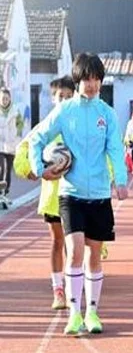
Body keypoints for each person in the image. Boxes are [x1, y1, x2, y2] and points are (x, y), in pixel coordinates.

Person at [28, 52, 129, 335]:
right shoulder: (65, 111)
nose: (92, 84)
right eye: (87, 79)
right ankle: (74, 313)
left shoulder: (106, 114)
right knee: (73, 251)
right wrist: (40, 168)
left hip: (98, 194)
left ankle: (92, 313)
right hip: (70, 193)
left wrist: (120, 182)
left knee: (94, 257)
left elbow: (115, 151)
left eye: (97, 79)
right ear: (78, 79)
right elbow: (37, 137)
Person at [13, 76, 75, 309]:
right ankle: (58, 290)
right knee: (58, 241)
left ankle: (74, 288)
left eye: (69, 96)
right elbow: (24, 149)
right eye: (61, 97)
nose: (65, 100)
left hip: (78, 195)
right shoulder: (46, 127)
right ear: (53, 98)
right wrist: (30, 170)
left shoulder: (80, 126)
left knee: (75, 245)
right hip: (52, 198)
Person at [0, 87, 25, 206]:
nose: (4, 101)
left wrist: (18, 136)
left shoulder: (15, 111)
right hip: (0, 145)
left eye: (6, 98)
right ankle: (1, 192)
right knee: (2, 167)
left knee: (7, 170)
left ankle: (5, 192)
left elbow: (20, 124)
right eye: (2, 99)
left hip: (11, 145)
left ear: (10, 98)